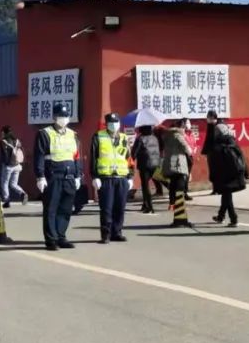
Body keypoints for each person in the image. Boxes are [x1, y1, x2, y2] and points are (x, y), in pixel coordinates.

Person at [34, 101, 82, 250]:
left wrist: (79, 175)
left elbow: (77, 156)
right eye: (61, 116)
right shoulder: (45, 133)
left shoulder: (73, 135)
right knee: (51, 209)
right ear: (54, 117)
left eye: (66, 116)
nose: (64, 118)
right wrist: (40, 176)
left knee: (66, 208)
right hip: (53, 176)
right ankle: (51, 240)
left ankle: (61, 236)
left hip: (69, 176)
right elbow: (39, 156)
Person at [90, 112, 132, 244]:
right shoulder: (98, 136)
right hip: (105, 178)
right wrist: (94, 176)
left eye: (116, 122)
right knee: (107, 208)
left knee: (120, 207)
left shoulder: (124, 138)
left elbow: (129, 158)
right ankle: (106, 234)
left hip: (122, 177)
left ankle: (117, 232)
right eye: (111, 123)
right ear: (106, 124)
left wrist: (130, 176)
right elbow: (93, 158)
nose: (114, 125)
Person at [207, 120, 248, 227]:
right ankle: (221, 216)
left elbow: (214, 164)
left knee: (227, 195)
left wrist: (212, 178)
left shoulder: (217, 146)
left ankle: (234, 219)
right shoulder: (232, 141)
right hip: (234, 174)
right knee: (226, 195)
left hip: (224, 175)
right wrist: (246, 172)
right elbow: (242, 158)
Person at [161, 118, 192, 224]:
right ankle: (180, 218)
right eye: (184, 125)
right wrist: (189, 150)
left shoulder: (167, 136)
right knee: (180, 189)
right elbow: (187, 149)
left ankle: (173, 205)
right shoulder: (178, 135)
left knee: (173, 186)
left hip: (170, 164)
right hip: (178, 164)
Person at [131, 124, 161, 215]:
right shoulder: (155, 138)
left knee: (145, 186)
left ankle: (149, 206)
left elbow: (134, 153)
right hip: (155, 164)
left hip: (145, 165)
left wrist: (133, 157)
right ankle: (145, 204)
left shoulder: (140, 139)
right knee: (153, 181)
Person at [0, 125, 28, 207]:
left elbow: (4, 154)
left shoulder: (3, 141)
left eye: (2, 132)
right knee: (13, 184)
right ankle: (22, 193)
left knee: (4, 183)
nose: (1, 134)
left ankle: (7, 200)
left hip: (8, 166)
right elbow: (21, 151)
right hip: (17, 165)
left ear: (4, 132)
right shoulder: (17, 141)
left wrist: (5, 163)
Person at [181, 118, 201, 201]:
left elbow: (194, 143)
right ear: (183, 124)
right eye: (187, 122)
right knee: (183, 176)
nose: (189, 124)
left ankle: (185, 192)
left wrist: (195, 149)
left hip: (190, 157)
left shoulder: (191, 134)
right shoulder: (182, 134)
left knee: (187, 175)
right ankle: (182, 193)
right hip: (184, 156)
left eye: (189, 122)